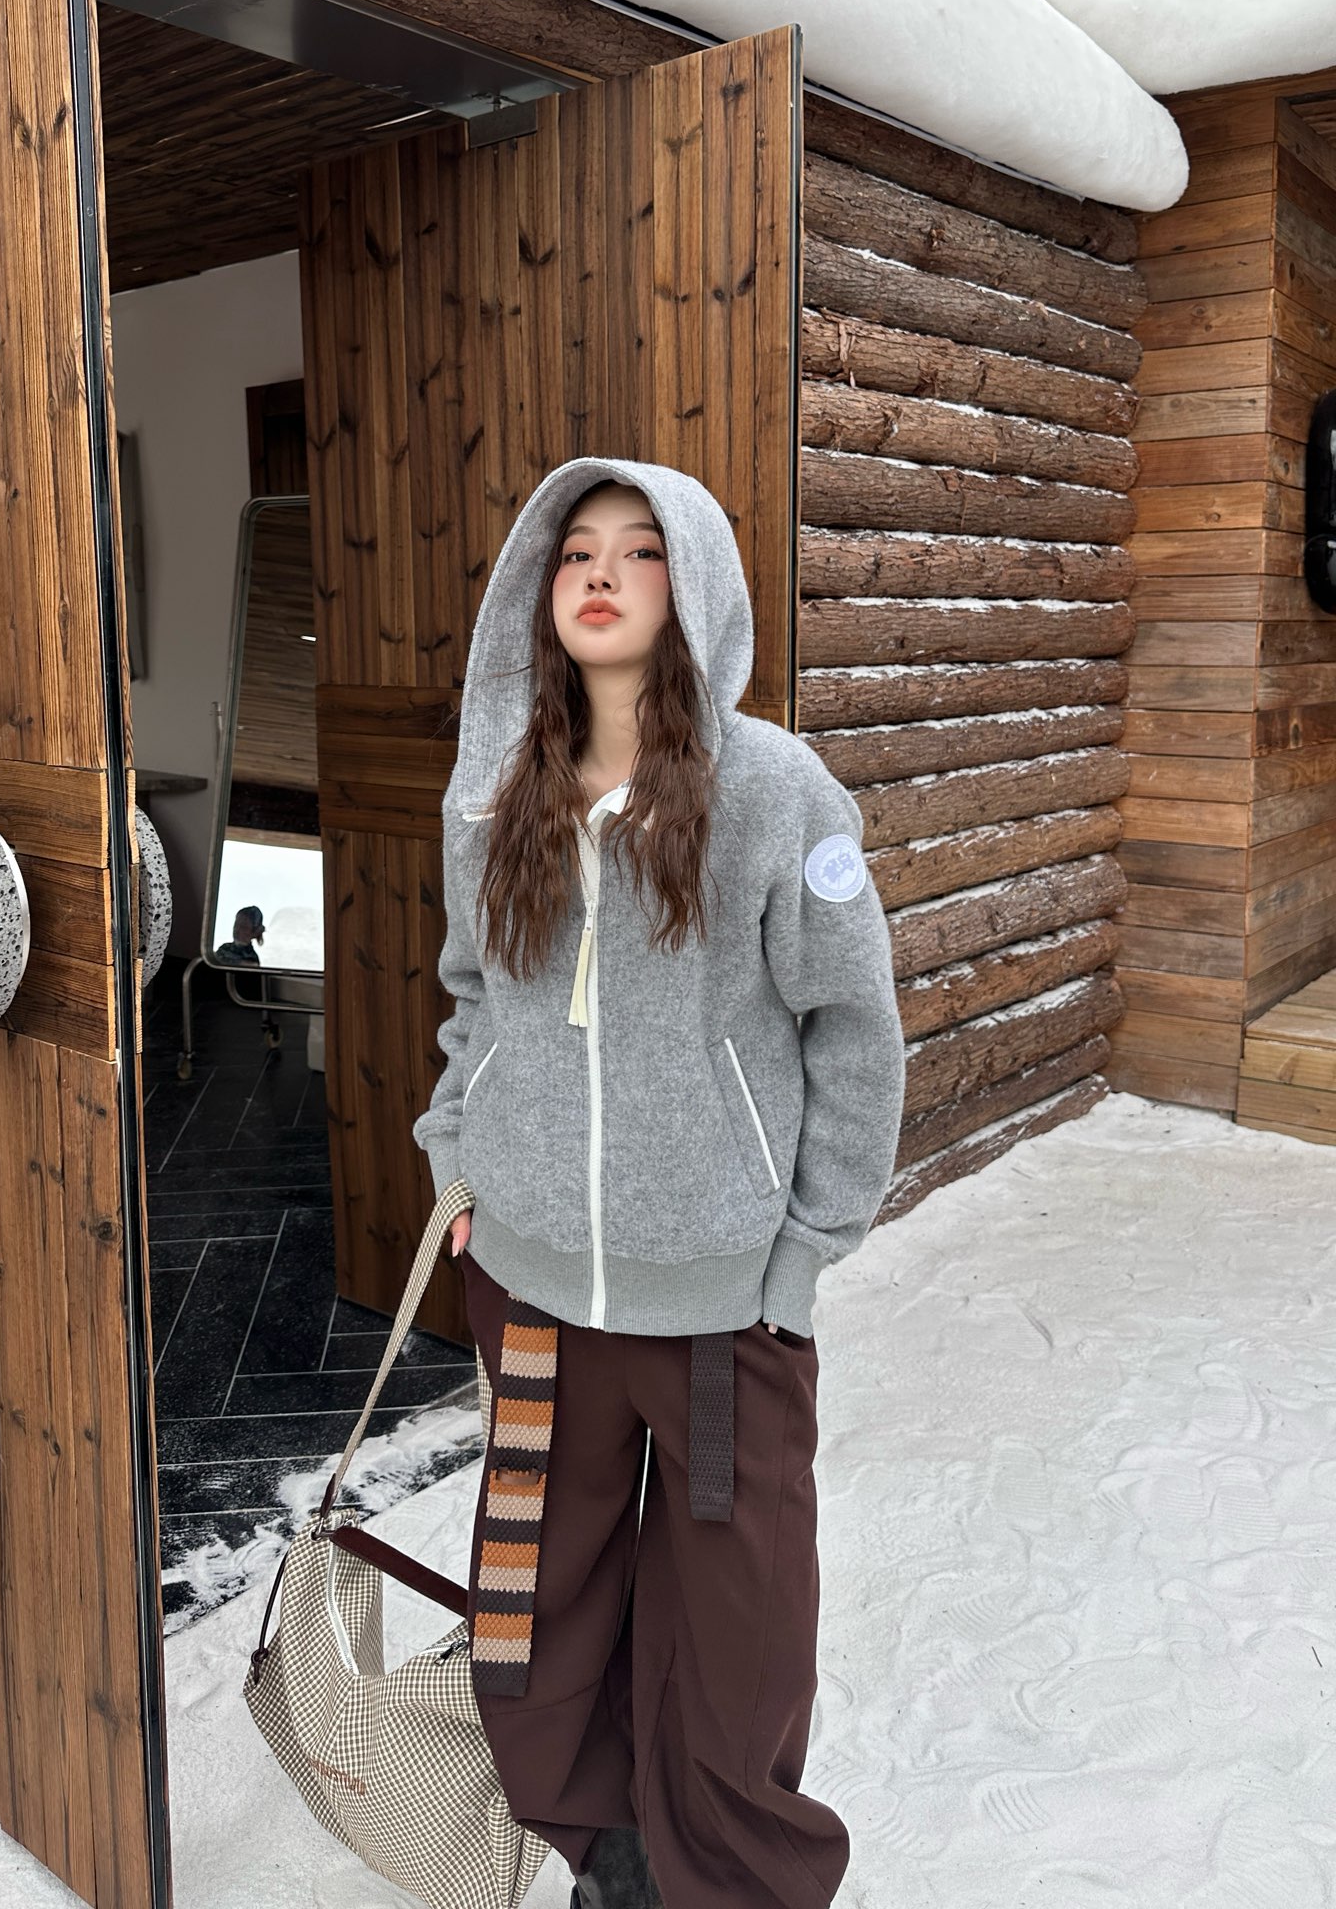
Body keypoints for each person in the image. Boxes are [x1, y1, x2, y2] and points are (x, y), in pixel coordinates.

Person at [412, 458, 907, 1909]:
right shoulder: (496, 790)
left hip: (721, 1304)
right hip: (530, 1284)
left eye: (642, 550)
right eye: (578, 550)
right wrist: (457, 1158)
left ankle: (731, 1881)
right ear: (540, 587)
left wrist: (804, 1249)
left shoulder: (777, 792)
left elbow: (855, 1027)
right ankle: (607, 1852)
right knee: (538, 1607)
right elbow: (470, 997)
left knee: (734, 1628)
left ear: (697, 587)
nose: (602, 572)